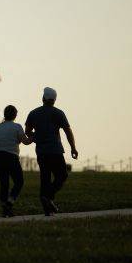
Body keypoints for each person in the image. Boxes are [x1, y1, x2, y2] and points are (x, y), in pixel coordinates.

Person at [25, 87, 78, 216]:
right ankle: (49, 197)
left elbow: (27, 131)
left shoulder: (33, 113)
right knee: (62, 175)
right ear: (54, 100)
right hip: (55, 151)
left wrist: (37, 136)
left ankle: (47, 207)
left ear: (43, 98)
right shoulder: (59, 113)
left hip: (41, 152)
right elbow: (67, 131)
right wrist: (73, 147)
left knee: (45, 178)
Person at [0, 105, 33, 217]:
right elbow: (26, 141)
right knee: (19, 182)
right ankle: (10, 202)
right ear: (15, 115)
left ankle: (4, 208)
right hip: (11, 157)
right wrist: (34, 136)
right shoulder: (17, 127)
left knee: (4, 183)